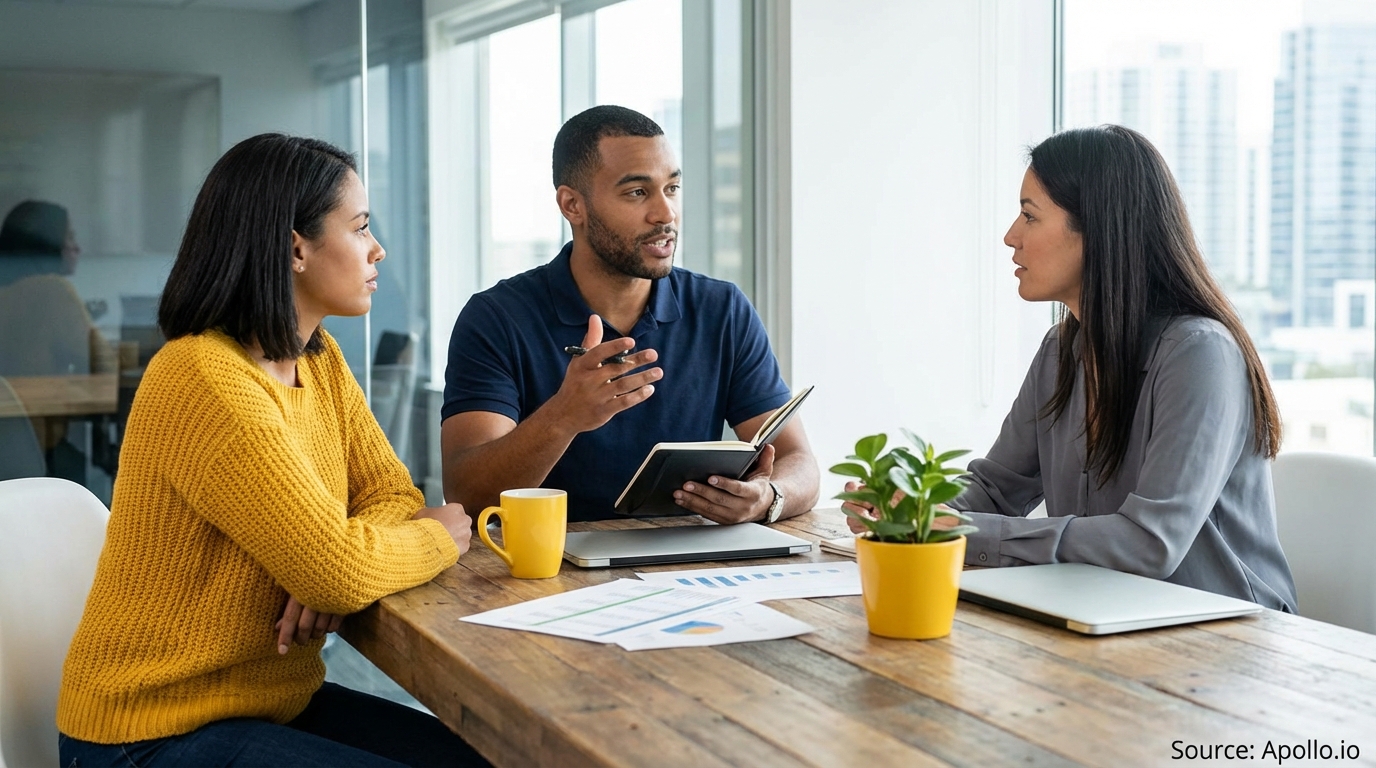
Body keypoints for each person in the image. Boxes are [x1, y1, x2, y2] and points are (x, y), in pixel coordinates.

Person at [56, 134, 488, 767]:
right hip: (145, 732)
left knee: (486, 758)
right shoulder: (203, 378)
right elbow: (341, 561)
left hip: (268, 702)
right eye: (361, 227)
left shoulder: (321, 360)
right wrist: (439, 536)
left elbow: (391, 496)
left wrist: (330, 570)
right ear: (295, 248)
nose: (377, 249)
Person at [846, 125, 1296, 612]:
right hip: (1102, 614)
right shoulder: (1062, 350)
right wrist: (910, 510)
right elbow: (997, 490)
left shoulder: (1199, 353)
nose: (1010, 237)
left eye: (1029, 216)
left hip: (1227, 638)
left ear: (1098, 229)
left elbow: (1149, 544)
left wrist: (963, 532)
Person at [442, 105, 819, 524]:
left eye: (672, 188)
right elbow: (466, 495)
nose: (665, 213)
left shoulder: (722, 309)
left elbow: (797, 459)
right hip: (549, 570)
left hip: (691, 565)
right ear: (572, 206)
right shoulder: (496, 318)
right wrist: (564, 417)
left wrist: (768, 495)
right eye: (637, 192)